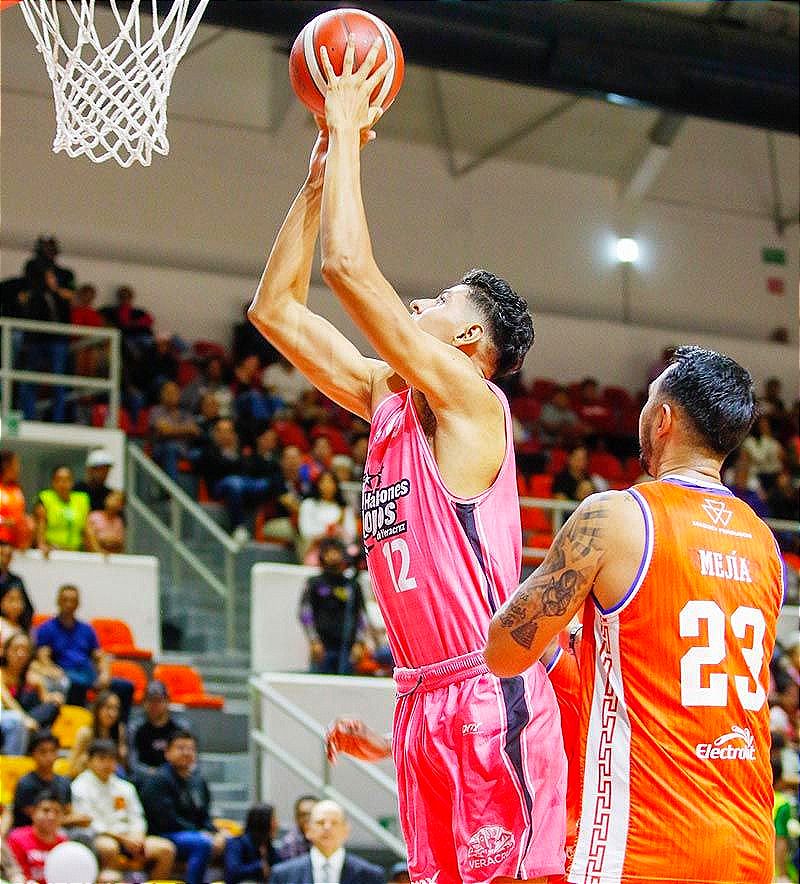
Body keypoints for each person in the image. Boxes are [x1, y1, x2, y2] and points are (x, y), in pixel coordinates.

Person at [247, 40, 563, 884]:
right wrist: (317, 178)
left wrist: (346, 125)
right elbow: (275, 308)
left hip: (488, 693)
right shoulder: (388, 401)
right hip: (422, 695)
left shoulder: (470, 403)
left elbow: (349, 269)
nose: (417, 304)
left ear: (469, 344)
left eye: (437, 304)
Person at [485, 345, 785, 884]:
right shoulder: (764, 543)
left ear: (663, 418)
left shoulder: (615, 515)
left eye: (648, 403)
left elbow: (504, 652)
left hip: (645, 843)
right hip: (748, 845)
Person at [71, 738, 176, 881]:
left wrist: (138, 836)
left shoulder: (125, 787)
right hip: (102, 837)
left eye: (111, 759)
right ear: (89, 761)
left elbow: (137, 816)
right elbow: (90, 822)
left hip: (130, 837)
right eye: (102, 759)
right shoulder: (80, 786)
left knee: (166, 849)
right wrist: (123, 839)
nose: (107, 764)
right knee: (109, 847)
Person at [139, 730, 227, 884]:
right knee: (202, 843)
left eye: (191, 749)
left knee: (231, 841)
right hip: (165, 834)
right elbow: (166, 820)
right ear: (167, 752)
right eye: (180, 748)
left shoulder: (198, 781)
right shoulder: (158, 780)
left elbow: (204, 815)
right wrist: (201, 834)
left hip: (193, 833)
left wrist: (214, 832)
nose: (186, 753)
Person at [35, 584, 134, 717]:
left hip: (88, 675)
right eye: (65, 600)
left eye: (73, 600)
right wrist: (53, 670)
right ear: (58, 601)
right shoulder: (47, 628)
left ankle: (120, 730)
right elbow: (43, 656)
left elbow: (99, 656)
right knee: (75, 685)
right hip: (66, 675)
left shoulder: (86, 629)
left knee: (125, 687)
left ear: (78, 604)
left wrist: (104, 673)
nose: (69, 604)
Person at [299, 537, 370, 674]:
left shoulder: (352, 585)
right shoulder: (314, 583)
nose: (332, 556)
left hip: (347, 649)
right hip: (323, 648)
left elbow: (361, 615)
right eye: (328, 552)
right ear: (322, 555)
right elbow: (305, 614)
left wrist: (360, 642)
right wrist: (314, 641)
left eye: (336, 552)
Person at [269, 800, 384, 884]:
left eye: (334, 822)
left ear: (346, 830)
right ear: (308, 829)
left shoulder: (371, 876)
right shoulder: (283, 875)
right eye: (320, 822)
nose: (327, 827)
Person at [18, 262, 73, 423]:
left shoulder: (59, 297)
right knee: (30, 380)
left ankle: (58, 419)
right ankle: (28, 417)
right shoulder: (34, 296)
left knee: (58, 381)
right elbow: (32, 318)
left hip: (57, 341)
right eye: (50, 277)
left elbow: (65, 319)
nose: (54, 280)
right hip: (37, 342)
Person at [11, 730, 92, 836]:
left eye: (53, 751)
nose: (49, 757)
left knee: (87, 833)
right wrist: (74, 820)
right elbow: (40, 819)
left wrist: (81, 818)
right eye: (43, 752)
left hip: (59, 829)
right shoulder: (25, 784)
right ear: (32, 754)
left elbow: (69, 810)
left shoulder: (64, 781)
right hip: (30, 832)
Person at [128, 680, 190, 782]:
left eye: (158, 700)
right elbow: (133, 764)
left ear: (167, 702)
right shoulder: (135, 728)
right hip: (145, 779)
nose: (154, 705)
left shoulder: (181, 728)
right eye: (150, 701)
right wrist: (157, 774)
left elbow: (190, 758)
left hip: (176, 777)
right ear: (144, 703)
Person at [1, 632, 62, 736]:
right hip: (9, 720)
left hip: (30, 720)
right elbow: (8, 701)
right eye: (16, 649)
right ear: (6, 651)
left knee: (52, 706)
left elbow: (45, 699)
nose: (20, 654)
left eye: (25, 650)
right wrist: (25, 719)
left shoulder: (32, 676)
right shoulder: (1, 674)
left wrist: (54, 697)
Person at [5, 788, 68, 884]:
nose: (51, 816)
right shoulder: (17, 839)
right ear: (33, 812)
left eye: (57, 812)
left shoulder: (65, 845)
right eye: (46, 810)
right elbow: (15, 875)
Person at [34, 466, 100, 555]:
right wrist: (42, 545)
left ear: (72, 482)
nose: (63, 483)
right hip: (52, 551)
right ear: (53, 482)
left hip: (75, 552)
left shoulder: (82, 500)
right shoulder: (45, 498)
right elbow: (40, 525)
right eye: (59, 480)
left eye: (67, 480)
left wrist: (97, 550)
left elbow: (87, 528)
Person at [297, 471, 357, 563]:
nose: (327, 485)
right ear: (317, 484)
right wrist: (327, 532)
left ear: (336, 485)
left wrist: (338, 532)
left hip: (340, 550)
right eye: (323, 482)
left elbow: (351, 534)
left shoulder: (344, 509)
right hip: (314, 549)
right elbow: (306, 531)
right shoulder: (308, 504)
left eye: (330, 482)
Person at [67, 689, 128, 778]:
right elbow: (72, 769)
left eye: (116, 709)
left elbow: (122, 766)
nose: (112, 713)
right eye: (108, 708)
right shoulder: (85, 733)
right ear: (98, 709)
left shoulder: (119, 731)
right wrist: (89, 759)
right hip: (87, 779)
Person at [149, 380, 202, 481]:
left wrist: (173, 430)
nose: (172, 395)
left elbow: (195, 431)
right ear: (162, 395)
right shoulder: (156, 411)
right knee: (170, 448)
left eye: (175, 392)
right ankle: (172, 491)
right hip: (162, 449)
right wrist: (185, 430)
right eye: (168, 393)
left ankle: (197, 491)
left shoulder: (185, 413)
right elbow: (164, 431)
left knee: (203, 454)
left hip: (185, 450)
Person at [222, 802, 280, 884]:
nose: (277, 824)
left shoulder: (268, 846)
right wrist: (259, 867)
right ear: (263, 822)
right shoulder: (236, 843)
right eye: (273, 820)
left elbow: (279, 868)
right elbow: (232, 873)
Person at [0, 451, 31, 550]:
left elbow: (20, 514)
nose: (18, 469)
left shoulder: (17, 489)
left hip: (16, 544)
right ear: (5, 465)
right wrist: (4, 521)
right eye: (15, 464)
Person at [0, 543, 34, 632]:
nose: (4, 559)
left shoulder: (17, 580)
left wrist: (23, 626)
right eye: (2, 554)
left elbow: (28, 608)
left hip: (15, 625)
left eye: (8, 556)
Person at [274, 795, 317, 861]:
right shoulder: (289, 844)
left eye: (312, 814)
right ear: (296, 818)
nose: (307, 818)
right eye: (303, 815)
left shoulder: (329, 839)